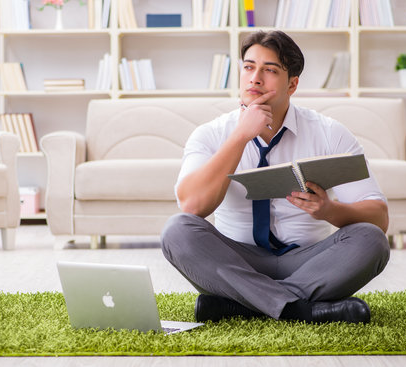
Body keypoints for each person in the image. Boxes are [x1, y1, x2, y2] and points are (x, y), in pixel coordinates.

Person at [160, 30, 390, 324]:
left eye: (269, 70)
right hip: (237, 263)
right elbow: (192, 206)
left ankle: (241, 305)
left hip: (309, 262)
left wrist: (330, 210)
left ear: (292, 84)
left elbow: (379, 217)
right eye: (248, 67)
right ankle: (300, 309)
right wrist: (240, 136)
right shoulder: (211, 134)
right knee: (177, 231)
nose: (255, 78)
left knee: (371, 239)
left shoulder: (329, 132)